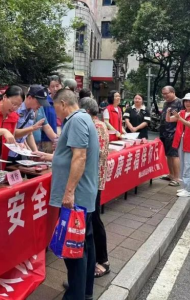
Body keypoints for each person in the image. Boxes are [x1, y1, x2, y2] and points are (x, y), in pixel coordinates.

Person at [34, 89, 98, 300]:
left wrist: (69, 193)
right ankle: (85, 290)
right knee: (84, 245)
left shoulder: (77, 121)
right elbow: (69, 154)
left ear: (63, 103)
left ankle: (75, 295)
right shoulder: (82, 119)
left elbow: (79, 157)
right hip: (83, 194)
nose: (54, 111)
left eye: (54, 105)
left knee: (74, 250)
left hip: (76, 196)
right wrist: (50, 156)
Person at [79, 97, 111, 279]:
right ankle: (96, 261)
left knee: (94, 220)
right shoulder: (96, 125)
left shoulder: (96, 126)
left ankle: (103, 261)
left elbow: (92, 153)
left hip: (93, 180)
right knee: (92, 220)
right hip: (93, 179)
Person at [8, 85, 58, 160]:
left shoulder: (32, 112)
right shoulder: (16, 108)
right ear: (29, 97)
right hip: (8, 151)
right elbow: (12, 133)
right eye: (39, 102)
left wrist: (35, 152)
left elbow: (29, 134)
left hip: (19, 152)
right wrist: (32, 128)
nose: (40, 105)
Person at [159, 86, 183, 186]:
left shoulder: (180, 102)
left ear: (173, 92)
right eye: (163, 94)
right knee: (168, 155)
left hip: (173, 132)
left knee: (174, 155)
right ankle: (171, 175)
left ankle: (177, 178)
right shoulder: (166, 103)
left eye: (166, 93)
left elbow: (181, 117)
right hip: (164, 132)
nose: (165, 96)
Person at [41, 75, 62, 152]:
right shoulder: (45, 102)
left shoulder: (65, 101)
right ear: (49, 88)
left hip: (63, 135)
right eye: (52, 86)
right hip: (47, 138)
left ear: (61, 86)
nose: (55, 89)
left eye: (57, 86)